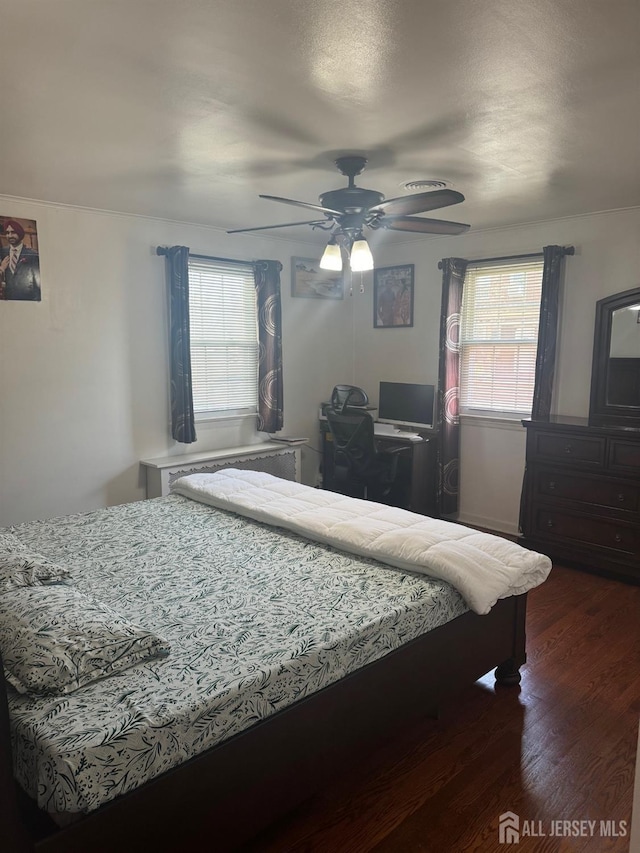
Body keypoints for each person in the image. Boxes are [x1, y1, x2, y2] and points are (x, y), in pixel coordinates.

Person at [0, 219, 41, 301]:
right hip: (8, 301)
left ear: (20, 233)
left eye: (13, 232)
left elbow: (37, 282)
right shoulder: (3, 252)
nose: (10, 235)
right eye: (7, 233)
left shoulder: (32, 254)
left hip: (27, 300)